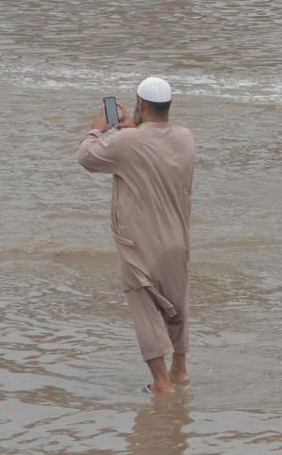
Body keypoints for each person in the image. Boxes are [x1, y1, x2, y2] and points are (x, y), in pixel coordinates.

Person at [77, 76, 196, 396]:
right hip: (177, 241)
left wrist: (98, 128)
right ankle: (180, 371)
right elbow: (151, 146)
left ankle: (160, 382)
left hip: (141, 244)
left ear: (141, 105)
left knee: (144, 309)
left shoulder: (126, 144)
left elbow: (86, 156)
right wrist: (131, 129)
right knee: (178, 305)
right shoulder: (186, 138)